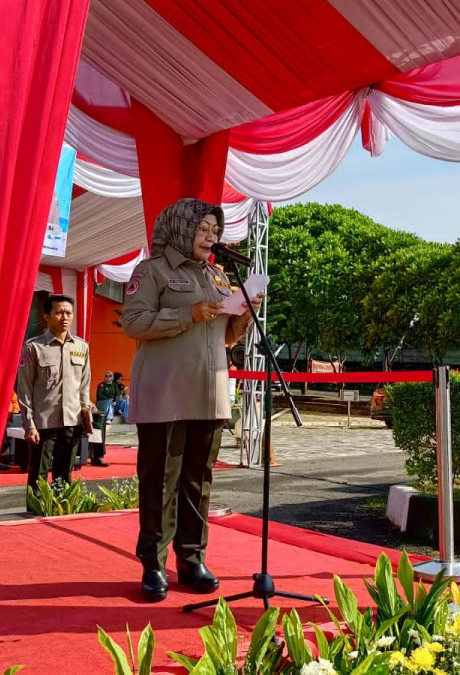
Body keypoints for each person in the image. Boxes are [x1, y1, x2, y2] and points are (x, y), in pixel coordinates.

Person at [122, 198, 262, 601]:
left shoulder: (217, 276)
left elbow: (226, 337)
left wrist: (244, 313)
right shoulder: (151, 271)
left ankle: (191, 558)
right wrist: (188, 314)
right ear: (181, 228)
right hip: (164, 393)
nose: (210, 237)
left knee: (198, 481)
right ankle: (153, 562)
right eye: (203, 229)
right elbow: (133, 323)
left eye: (215, 231)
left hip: (209, 392)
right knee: (160, 481)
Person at [16, 294, 93, 496]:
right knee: (38, 477)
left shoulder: (81, 347)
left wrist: (86, 419)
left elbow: (84, 386)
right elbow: (24, 388)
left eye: (69, 313)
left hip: (72, 421)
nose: (65, 317)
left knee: (64, 476)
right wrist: (29, 424)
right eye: (59, 313)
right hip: (43, 423)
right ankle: (35, 512)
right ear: (46, 317)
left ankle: (60, 510)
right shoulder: (33, 347)